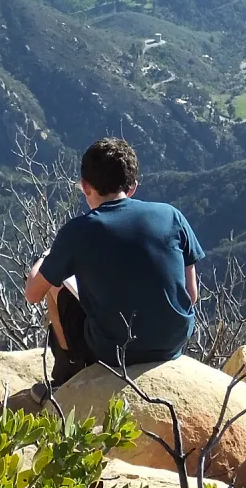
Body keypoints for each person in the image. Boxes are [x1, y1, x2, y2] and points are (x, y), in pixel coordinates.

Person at [22, 137, 204, 395]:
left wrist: (44, 258)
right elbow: (191, 294)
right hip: (173, 342)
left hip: (114, 351)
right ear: (132, 187)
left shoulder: (78, 231)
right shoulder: (171, 215)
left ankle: (67, 378)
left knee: (54, 285)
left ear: (85, 186)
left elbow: (32, 294)